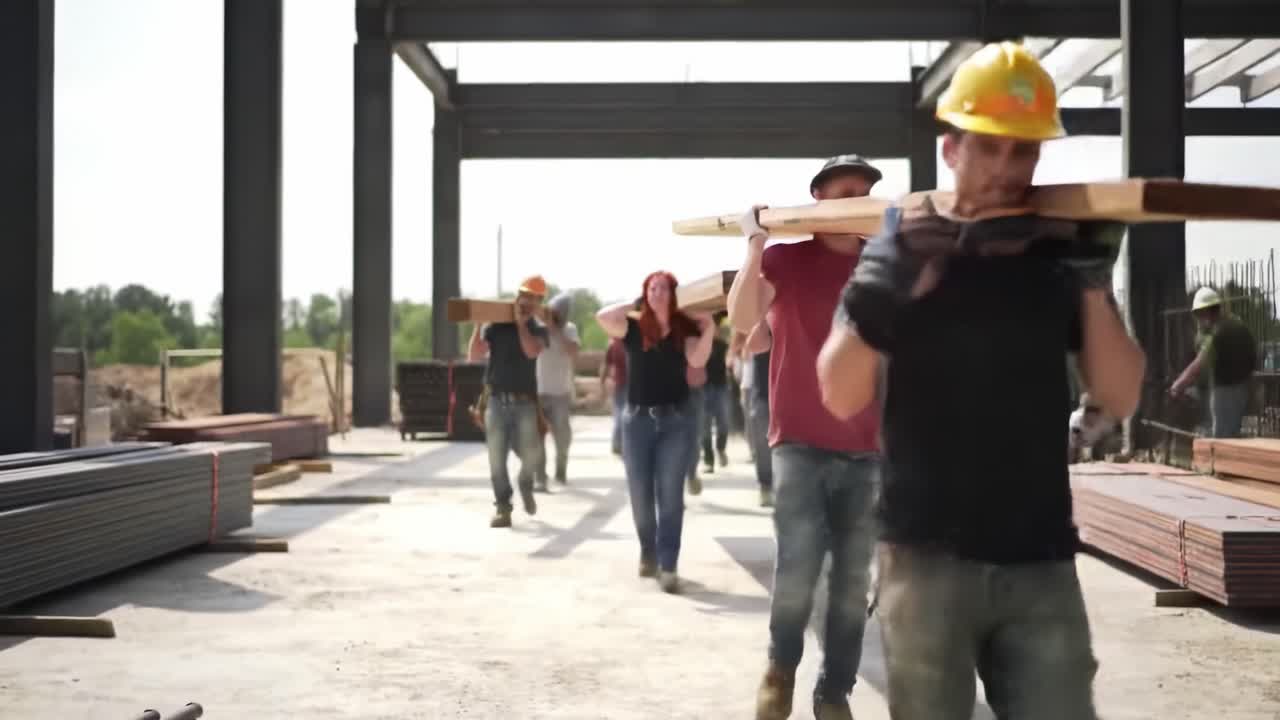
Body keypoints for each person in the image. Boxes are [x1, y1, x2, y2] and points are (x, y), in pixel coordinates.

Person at [816, 42, 1146, 719]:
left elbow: (1120, 395)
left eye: (1023, 152)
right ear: (951, 149)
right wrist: (890, 280)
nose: (1004, 168)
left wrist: (1092, 282)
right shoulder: (904, 245)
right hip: (924, 554)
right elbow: (839, 392)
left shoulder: (1052, 257)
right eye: (989, 147)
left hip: (1039, 557)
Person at [726, 152, 884, 720]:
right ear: (818, 197)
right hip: (798, 439)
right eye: (846, 190)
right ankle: (780, 668)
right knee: (797, 566)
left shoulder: (882, 266)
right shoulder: (788, 260)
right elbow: (742, 318)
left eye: (865, 191)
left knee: (851, 583)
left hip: (868, 446)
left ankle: (834, 692)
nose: (857, 198)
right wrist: (754, 245)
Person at [597, 271, 715, 593]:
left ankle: (668, 563)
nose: (657, 293)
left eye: (664, 288)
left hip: (675, 422)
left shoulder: (682, 331)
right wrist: (635, 303)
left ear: (674, 295)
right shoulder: (634, 328)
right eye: (652, 288)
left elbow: (698, 359)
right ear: (645, 294)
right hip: (636, 422)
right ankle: (648, 549)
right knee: (640, 494)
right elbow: (603, 317)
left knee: (670, 495)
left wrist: (709, 329)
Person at [468, 275, 551, 529]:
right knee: (496, 459)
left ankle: (526, 482)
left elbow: (531, 351)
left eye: (533, 298)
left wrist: (521, 325)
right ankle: (503, 508)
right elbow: (474, 355)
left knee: (532, 455)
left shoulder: (538, 328)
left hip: (525, 403)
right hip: (495, 401)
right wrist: (478, 325)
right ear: (518, 296)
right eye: (524, 295)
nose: (527, 301)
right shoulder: (497, 326)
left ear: (539, 303)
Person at [1170, 286, 1258, 438]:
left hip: (1224, 391)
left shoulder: (1218, 333)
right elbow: (1253, 355)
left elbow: (1198, 364)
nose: (1198, 319)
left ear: (1205, 312)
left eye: (1198, 314)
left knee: (1221, 437)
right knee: (1231, 432)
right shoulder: (1237, 325)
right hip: (1242, 387)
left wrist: (1178, 384)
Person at [536, 292, 581, 487]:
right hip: (538, 391)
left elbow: (573, 351)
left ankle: (560, 470)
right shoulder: (538, 327)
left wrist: (555, 330)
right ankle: (540, 476)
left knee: (562, 437)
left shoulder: (569, 329)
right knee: (536, 436)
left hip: (560, 393)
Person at [699, 313, 733, 474]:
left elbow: (730, 360)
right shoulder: (700, 344)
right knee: (704, 426)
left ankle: (721, 448)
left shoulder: (723, 345)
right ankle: (708, 460)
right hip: (704, 388)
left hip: (720, 387)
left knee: (723, 422)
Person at [601, 336, 628, 456]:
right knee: (621, 415)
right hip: (621, 385)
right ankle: (618, 444)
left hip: (633, 385)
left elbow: (606, 365)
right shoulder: (614, 344)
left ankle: (620, 444)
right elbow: (606, 364)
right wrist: (602, 382)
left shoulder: (614, 343)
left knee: (623, 415)